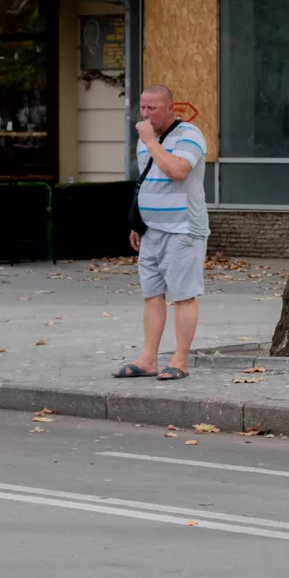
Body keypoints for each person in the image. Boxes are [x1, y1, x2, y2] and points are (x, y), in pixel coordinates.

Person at [113, 84, 213, 381]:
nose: (146, 114)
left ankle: (179, 360)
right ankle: (148, 359)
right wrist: (138, 223)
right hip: (152, 230)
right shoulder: (146, 140)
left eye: (152, 108)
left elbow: (177, 171)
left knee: (183, 295)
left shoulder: (189, 136)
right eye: (142, 108)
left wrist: (150, 140)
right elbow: (150, 180)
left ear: (170, 107)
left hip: (183, 229)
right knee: (152, 294)